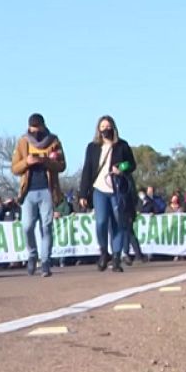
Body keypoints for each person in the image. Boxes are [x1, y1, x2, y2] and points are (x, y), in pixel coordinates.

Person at [78, 115, 137, 273]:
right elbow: (87, 170)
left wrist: (122, 168)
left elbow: (132, 164)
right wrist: (83, 194)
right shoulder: (92, 147)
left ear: (113, 127)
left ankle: (117, 258)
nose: (105, 129)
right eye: (102, 126)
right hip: (99, 189)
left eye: (108, 126)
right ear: (98, 129)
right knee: (101, 222)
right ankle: (104, 252)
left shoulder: (122, 145)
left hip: (117, 189)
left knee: (119, 223)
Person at [11, 113, 67, 277]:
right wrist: (26, 162)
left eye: (38, 127)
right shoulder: (23, 142)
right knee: (27, 226)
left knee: (46, 226)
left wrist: (46, 161)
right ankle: (32, 254)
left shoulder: (54, 141)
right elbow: (14, 168)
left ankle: (45, 262)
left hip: (47, 190)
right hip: (28, 192)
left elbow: (62, 165)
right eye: (32, 128)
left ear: (43, 126)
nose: (35, 131)